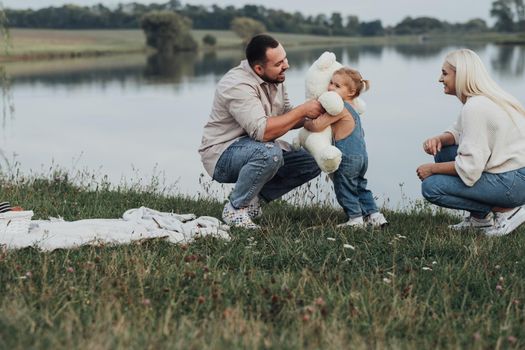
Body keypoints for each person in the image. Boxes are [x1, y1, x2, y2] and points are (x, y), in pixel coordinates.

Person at [199, 34, 323, 229]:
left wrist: (317, 113)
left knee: (313, 161)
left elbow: (287, 115)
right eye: (279, 63)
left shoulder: (275, 76)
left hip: (256, 147)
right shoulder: (237, 84)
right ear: (259, 68)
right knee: (268, 153)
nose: (286, 65)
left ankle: (253, 201)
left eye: (285, 58)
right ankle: (235, 208)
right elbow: (263, 133)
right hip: (222, 155)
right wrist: (303, 110)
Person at [417, 48, 525, 236]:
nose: (440, 79)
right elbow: (460, 132)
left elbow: (469, 167)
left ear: (461, 75)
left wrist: (431, 169)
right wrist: (440, 138)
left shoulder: (475, 107)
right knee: (444, 151)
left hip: (513, 183)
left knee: (431, 187)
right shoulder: (485, 98)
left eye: (444, 73)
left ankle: (507, 210)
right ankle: (480, 220)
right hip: (517, 176)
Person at [303, 67, 388, 228]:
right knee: (360, 187)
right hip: (362, 157)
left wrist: (305, 121)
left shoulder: (339, 107)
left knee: (344, 188)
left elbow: (317, 125)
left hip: (348, 158)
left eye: (337, 86)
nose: (330, 88)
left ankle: (355, 219)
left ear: (351, 92)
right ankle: (375, 216)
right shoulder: (354, 107)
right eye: (330, 83)